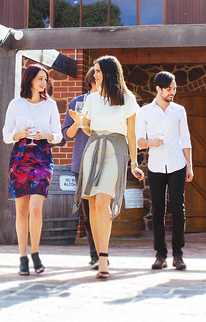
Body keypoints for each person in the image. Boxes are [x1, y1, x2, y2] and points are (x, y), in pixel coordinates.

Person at [69, 55, 144, 280]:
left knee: (103, 201)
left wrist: (134, 162)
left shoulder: (128, 100)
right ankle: (100, 256)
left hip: (115, 151)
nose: (95, 75)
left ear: (110, 73)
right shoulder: (92, 99)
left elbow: (131, 134)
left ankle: (103, 256)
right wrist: (81, 121)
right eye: (95, 71)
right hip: (92, 150)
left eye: (99, 71)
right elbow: (90, 130)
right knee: (92, 205)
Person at [2, 64, 62, 276]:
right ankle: (22, 257)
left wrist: (46, 135)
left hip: (42, 157)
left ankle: (35, 252)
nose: (43, 82)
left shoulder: (50, 105)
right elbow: (6, 135)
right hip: (20, 158)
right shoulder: (15, 105)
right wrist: (19, 134)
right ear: (29, 80)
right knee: (21, 210)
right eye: (39, 78)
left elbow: (58, 135)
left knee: (36, 208)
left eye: (45, 79)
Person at [136, 71, 193, 271]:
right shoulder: (144, 112)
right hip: (156, 167)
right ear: (158, 89)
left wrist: (189, 166)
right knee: (158, 211)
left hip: (177, 165)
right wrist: (151, 142)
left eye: (174, 88)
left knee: (178, 209)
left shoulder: (179, 111)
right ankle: (160, 255)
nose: (172, 92)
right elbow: (139, 140)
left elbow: (185, 139)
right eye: (169, 89)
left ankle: (178, 255)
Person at [61, 66, 99, 269]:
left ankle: (103, 250)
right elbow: (67, 134)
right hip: (82, 164)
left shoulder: (109, 102)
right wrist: (78, 122)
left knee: (101, 208)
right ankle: (95, 254)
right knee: (87, 210)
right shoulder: (77, 102)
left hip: (104, 161)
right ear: (93, 79)